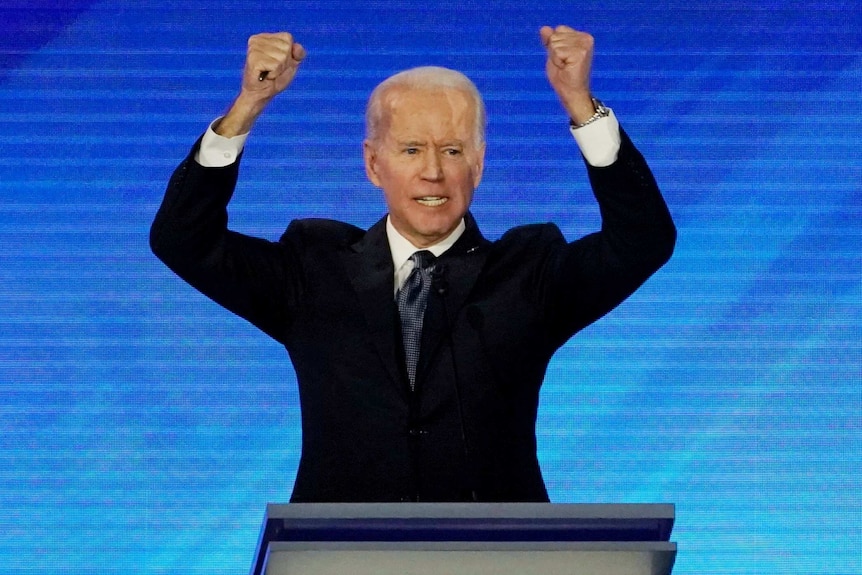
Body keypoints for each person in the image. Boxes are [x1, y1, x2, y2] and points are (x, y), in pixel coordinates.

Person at [150, 26, 676, 502]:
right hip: (341, 557)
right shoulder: (314, 267)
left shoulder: (530, 272)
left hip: (498, 556)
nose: (432, 173)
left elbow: (644, 240)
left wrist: (582, 107)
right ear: (373, 164)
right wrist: (248, 104)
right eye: (410, 150)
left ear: (479, 163)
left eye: (451, 150)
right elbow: (182, 239)